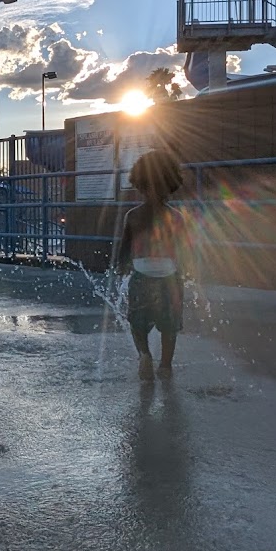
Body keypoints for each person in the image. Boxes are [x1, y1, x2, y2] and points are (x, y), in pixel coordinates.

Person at [116, 148, 188, 382]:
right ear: (171, 185)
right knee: (169, 326)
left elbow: (124, 249)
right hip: (168, 274)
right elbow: (183, 250)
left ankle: (145, 355)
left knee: (137, 323)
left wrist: (121, 267)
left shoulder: (133, 216)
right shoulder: (176, 217)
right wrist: (185, 272)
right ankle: (165, 366)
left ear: (139, 184)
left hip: (142, 272)